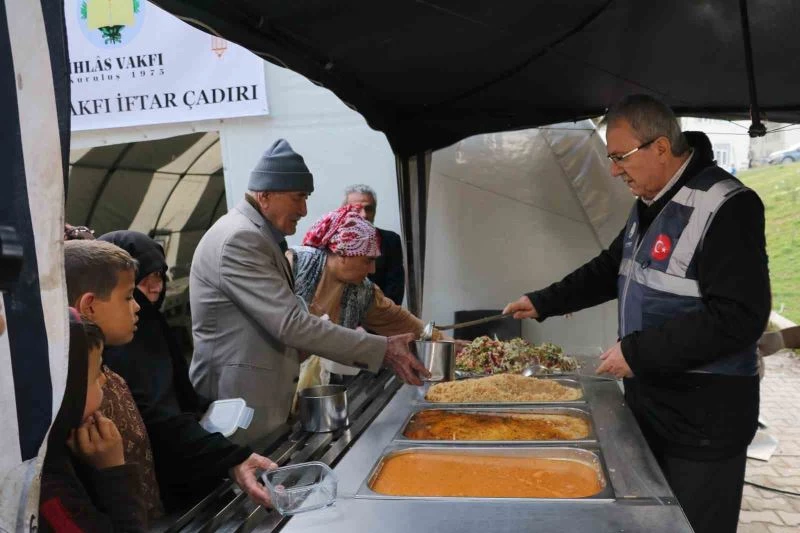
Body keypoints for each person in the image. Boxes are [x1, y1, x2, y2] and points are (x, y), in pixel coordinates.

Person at [503, 95, 769, 533]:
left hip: (704, 420)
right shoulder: (652, 201)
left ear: (660, 148)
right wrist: (545, 301)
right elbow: (613, 267)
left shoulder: (727, 206)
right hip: (654, 402)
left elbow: (739, 316)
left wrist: (637, 353)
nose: (613, 171)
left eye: (619, 157)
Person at [189, 139, 428, 443]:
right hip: (238, 406)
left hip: (263, 402)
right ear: (264, 195)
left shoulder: (258, 237)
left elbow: (395, 318)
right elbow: (291, 324)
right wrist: (382, 350)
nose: (304, 210)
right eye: (298, 197)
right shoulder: (240, 239)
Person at [97, 231, 276, 511]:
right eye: (135, 288)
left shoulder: (147, 324)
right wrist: (230, 457)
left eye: (159, 276)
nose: (155, 288)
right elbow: (156, 414)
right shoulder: (123, 342)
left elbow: (173, 394)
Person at [64, 239, 164, 521]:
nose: (137, 307)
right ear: (89, 307)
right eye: (128, 296)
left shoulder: (111, 378)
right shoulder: (81, 404)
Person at [290, 205, 445, 383]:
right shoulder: (295, 265)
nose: (372, 270)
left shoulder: (361, 291)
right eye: (368, 260)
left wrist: (447, 343)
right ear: (342, 253)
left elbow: (399, 321)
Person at [39, 310, 146, 532]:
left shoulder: (55, 451)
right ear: (64, 392)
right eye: (96, 374)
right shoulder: (50, 494)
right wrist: (114, 472)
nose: (105, 380)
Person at [344, 184, 405, 305]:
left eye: (369, 209)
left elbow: (395, 287)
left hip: (382, 310)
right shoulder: (333, 242)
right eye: (356, 209)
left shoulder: (390, 240)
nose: (364, 215)